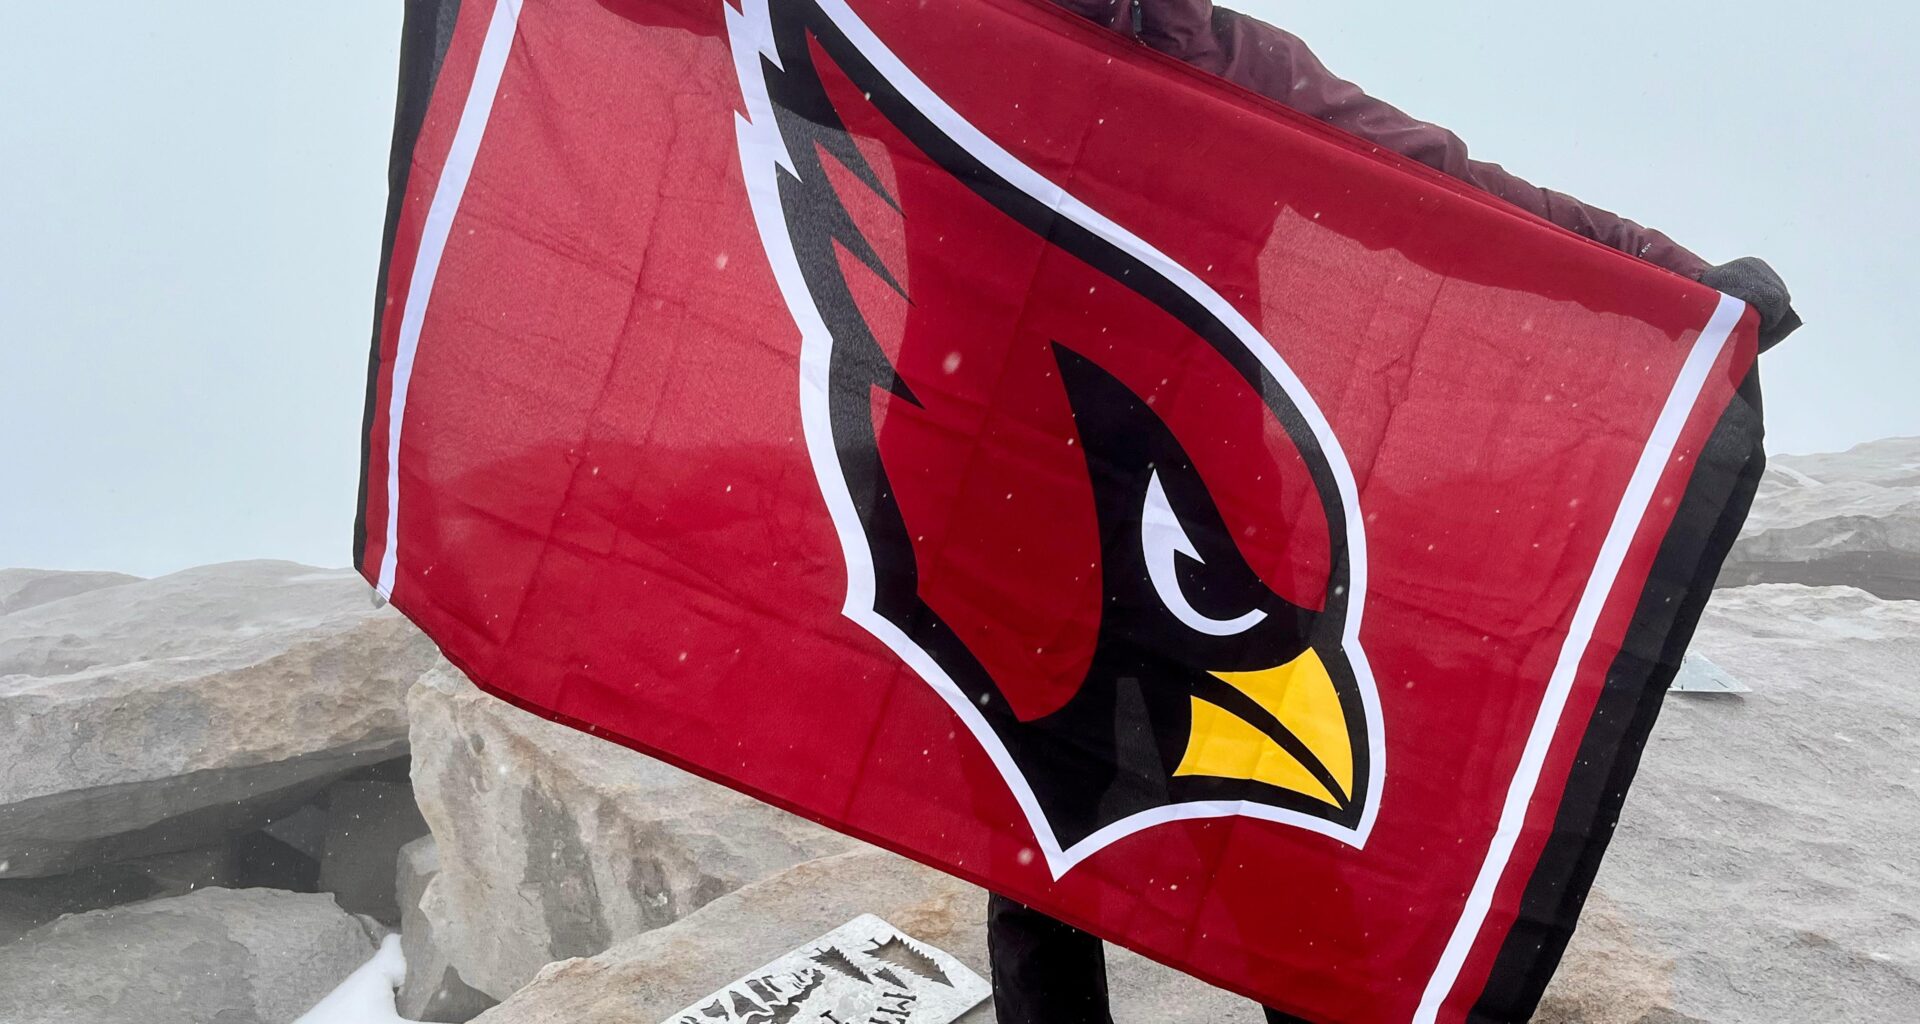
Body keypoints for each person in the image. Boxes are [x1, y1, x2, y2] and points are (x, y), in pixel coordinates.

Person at [987, 3, 1800, 1023]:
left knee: (1273, 824)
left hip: (1209, 514)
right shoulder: (961, 28)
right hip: (1000, 500)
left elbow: (1449, 196)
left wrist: (1671, 283)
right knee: (1026, 834)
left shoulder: (1233, 63)